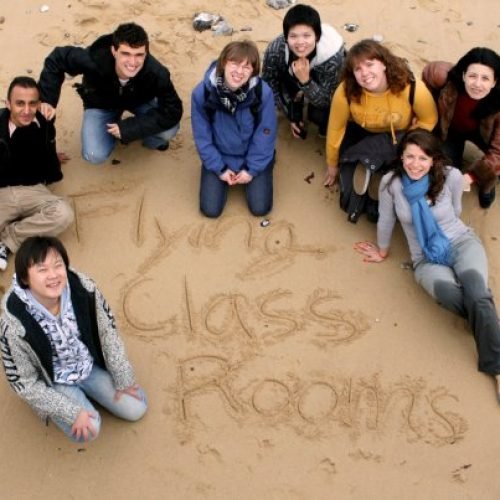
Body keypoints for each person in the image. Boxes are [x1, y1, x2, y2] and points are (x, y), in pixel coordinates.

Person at [354, 129, 500, 402]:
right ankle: (487, 322)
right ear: (401, 157)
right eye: (409, 156)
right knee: (452, 295)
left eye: (423, 158)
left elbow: (456, 212)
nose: (415, 164)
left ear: (434, 160)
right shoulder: (391, 184)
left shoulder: (452, 176)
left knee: (478, 295)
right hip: (424, 258)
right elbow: (386, 220)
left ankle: (497, 367)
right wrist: (382, 251)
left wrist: (439, 232)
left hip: (461, 242)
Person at [0, 236, 147, 442]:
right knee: (89, 431)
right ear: (25, 278)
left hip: (88, 366)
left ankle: (88, 397)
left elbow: (108, 333)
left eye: (58, 265)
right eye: (42, 270)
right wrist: (69, 411)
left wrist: (123, 378)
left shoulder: (84, 288)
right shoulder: (12, 323)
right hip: (55, 380)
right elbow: (24, 382)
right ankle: (69, 402)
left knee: (137, 409)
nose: (53, 275)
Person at [324, 39, 438, 222]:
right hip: (361, 133)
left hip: (399, 135)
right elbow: (336, 128)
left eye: (370, 65)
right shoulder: (346, 91)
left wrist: (412, 136)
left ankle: (377, 172)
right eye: (357, 69)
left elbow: (430, 118)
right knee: (348, 202)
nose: (365, 74)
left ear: (384, 64)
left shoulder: (411, 87)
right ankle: (370, 168)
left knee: (375, 213)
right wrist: (332, 163)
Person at [38, 22, 183, 165]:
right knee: (94, 154)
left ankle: (150, 141)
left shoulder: (157, 73)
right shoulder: (92, 59)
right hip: (102, 103)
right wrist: (47, 99)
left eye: (139, 55)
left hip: (140, 100)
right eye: (126, 53)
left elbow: (173, 110)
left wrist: (130, 128)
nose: (133, 63)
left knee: (169, 130)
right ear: (114, 51)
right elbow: (57, 59)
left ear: (146, 53)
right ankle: (111, 135)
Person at [191, 40, 277, 218]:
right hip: (220, 156)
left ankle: (265, 163)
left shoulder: (263, 93)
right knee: (210, 210)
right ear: (224, 63)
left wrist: (251, 169)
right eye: (235, 64)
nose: (239, 72)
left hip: (251, 155)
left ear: (253, 71)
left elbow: (265, 133)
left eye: (247, 67)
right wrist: (219, 168)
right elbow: (202, 138)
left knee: (260, 209)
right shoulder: (202, 93)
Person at [0, 76, 73, 271]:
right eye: (19, 103)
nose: (26, 110)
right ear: (8, 104)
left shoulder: (44, 124)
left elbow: (48, 145)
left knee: (63, 214)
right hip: (2, 193)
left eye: (32, 104)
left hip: (33, 190)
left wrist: (52, 155)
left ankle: (7, 242)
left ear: (39, 104)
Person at [422, 47, 500, 208]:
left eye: (485, 78)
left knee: (491, 170)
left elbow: (498, 153)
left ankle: (486, 188)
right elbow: (428, 75)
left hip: (485, 135)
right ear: (463, 75)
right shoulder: (442, 76)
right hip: (452, 130)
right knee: (446, 171)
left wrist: (471, 176)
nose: (477, 84)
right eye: (472, 76)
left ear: (495, 82)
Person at [262, 3, 345, 138]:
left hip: (321, 79)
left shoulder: (333, 57)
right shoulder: (276, 49)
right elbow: (268, 83)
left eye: (307, 36)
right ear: (286, 37)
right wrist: (291, 113)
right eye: (293, 36)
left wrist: (306, 81)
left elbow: (327, 101)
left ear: (317, 37)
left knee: (320, 115)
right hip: (290, 75)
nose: (300, 43)